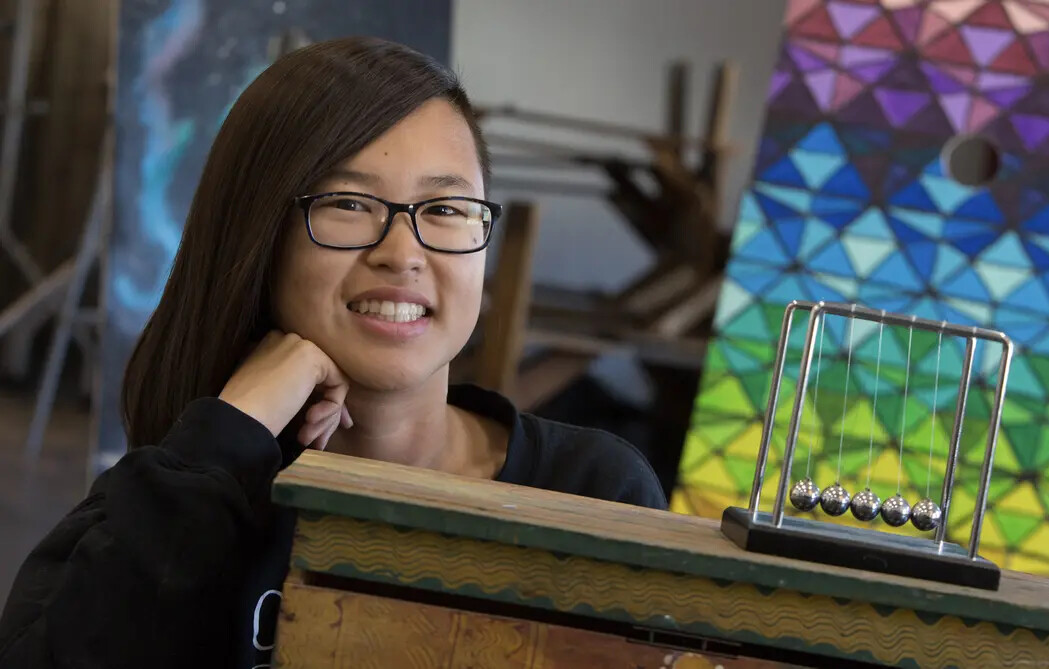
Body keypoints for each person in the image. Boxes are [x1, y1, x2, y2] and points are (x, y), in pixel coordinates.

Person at [0, 37, 666, 668]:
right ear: (259, 237)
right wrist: (234, 428)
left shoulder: (595, 492)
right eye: (349, 202)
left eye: (446, 208)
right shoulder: (180, 501)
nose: (403, 253)